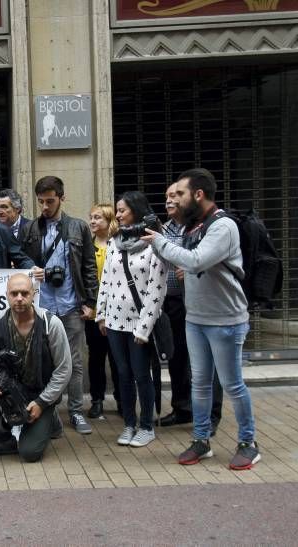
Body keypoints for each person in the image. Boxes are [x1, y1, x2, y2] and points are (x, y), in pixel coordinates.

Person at [141, 168, 260, 470]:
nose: (175, 200)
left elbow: (195, 261)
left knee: (233, 385)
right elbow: (178, 261)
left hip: (226, 320)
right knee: (201, 385)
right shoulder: (193, 227)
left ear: (198, 194)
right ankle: (201, 439)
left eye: (180, 194)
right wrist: (158, 246)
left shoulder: (223, 227)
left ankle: (248, 443)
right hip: (196, 318)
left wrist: (160, 242)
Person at [19, 176, 98, 434]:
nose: (44, 206)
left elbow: (88, 265)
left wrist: (90, 301)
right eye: (40, 201)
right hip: (41, 307)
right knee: (42, 362)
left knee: (74, 362)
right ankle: (50, 413)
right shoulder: (30, 229)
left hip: (70, 305)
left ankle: (76, 411)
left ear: (61, 198)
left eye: (50, 201)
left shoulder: (78, 227)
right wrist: (31, 271)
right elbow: (20, 262)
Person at [0, 274, 71, 462]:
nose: (19, 298)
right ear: (6, 295)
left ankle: (51, 419)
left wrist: (42, 402)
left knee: (29, 453)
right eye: (14, 293)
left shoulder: (51, 324)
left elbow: (64, 370)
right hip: (12, 389)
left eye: (24, 293)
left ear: (33, 294)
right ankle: (4, 441)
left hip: (42, 393)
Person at [95, 192, 167, 448]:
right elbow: (106, 279)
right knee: (122, 375)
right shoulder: (116, 240)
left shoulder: (155, 242)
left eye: (123, 210)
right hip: (114, 323)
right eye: (117, 210)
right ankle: (128, 424)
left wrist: (144, 327)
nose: (118, 214)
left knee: (141, 375)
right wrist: (101, 314)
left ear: (136, 210)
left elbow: (156, 289)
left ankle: (146, 426)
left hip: (138, 325)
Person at [159, 183, 223, 433]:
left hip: (199, 302)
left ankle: (211, 415)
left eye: (175, 195)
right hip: (172, 302)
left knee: (207, 361)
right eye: (166, 197)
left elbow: (209, 260)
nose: (170, 200)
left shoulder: (201, 227)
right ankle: (182, 408)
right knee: (176, 357)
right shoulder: (163, 229)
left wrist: (192, 270)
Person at [84, 203, 120, 419]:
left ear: (109, 220)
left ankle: (122, 400)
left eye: (98, 217)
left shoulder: (119, 245)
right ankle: (97, 400)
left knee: (118, 359)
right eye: (91, 217)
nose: (93, 221)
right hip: (93, 312)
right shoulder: (88, 246)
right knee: (96, 358)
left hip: (117, 312)